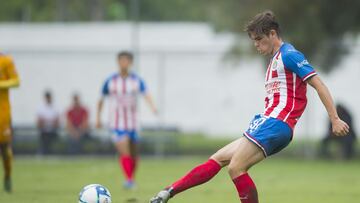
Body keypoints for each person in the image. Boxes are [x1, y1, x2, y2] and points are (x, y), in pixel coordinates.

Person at [150, 11, 350, 203]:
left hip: (277, 123)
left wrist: (334, 118)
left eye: (258, 39)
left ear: (272, 34)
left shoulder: (289, 54)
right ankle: (168, 192)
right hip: (266, 121)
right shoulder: (274, 60)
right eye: (253, 40)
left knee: (236, 167)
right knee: (218, 159)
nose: (256, 44)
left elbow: (318, 84)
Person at [96, 51, 157, 189]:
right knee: (124, 150)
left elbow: (146, 94)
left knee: (134, 154)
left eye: (126, 60)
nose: (124, 63)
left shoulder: (136, 80)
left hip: (133, 123)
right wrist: (98, 118)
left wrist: (153, 107)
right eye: (121, 60)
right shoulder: (110, 81)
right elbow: (101, 99)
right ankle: (129, 180)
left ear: (130, 62)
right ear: (118, 62)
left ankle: (131, 178)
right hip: (117, 123)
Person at [0, 53, 20, 192]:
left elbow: (16, 81)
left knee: (5, 149)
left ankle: (7, 175)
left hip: (3, 114)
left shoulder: (6, 61)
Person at [37, 91, 60, 155]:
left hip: (53, 130)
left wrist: (46, 121)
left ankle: (53, 153)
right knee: (44, 138)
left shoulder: (55, 107)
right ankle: (43, 153)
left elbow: (57, 122)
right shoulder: (41, 108)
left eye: (49, 97)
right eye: (47, 97)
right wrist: (50, 121)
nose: (48, 99)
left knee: (53, 140)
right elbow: (39, 122)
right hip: (44, 131)